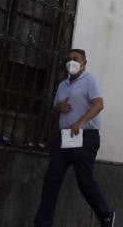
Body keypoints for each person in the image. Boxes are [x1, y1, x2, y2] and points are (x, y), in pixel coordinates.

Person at [34, 48, 115, 227]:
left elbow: (99, 104)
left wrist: (80, 122)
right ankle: (42, 223)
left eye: (76, 59)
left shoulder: (90, 80)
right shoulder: (63, 85)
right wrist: (58, 108)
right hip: (64, 138)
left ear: (84, 63)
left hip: (85, 136)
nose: (71, 62)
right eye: (69, 59)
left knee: (84, 181)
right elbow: (53, 114)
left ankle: (106, 215)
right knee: (51, 180)